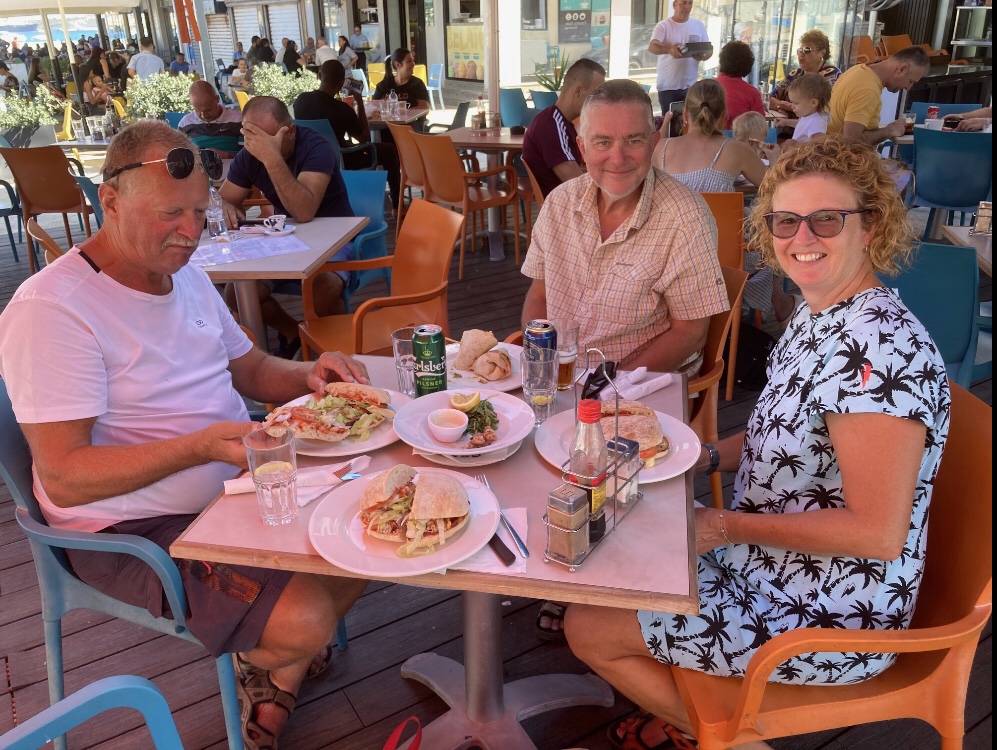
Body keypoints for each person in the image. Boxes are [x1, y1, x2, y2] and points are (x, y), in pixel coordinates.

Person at [565, 135, 951, 750]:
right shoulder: (821, 312)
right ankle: (696, 714)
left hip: (828, 611)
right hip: (766, 561)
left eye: (827, 219)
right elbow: (786, 434)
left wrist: (720, 527)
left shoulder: (879, 351)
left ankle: (721, 738)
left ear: (871, 226)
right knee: (614, 545)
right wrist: (702, 458)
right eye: (785, 220)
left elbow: (876, 533)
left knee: (588, 627)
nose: (802, 237)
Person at [0, 120, 371, 750]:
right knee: (307, 618)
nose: (191, 232)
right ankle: (276, 657)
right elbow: (63, 476)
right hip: (128, 528)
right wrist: (198, 449)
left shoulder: (186, 272)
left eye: (200, 212)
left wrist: (309, 375)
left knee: (374, 529)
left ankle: (275, 669)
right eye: (171, 213)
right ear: (110, 200)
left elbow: (249, 368)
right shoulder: (52, 309)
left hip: (235, 485)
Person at [523, 81, 729, 639]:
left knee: (590, 455)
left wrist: (610, 378)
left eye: (634, 140)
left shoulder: (684, 216)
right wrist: (537, 356)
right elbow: (538, 293)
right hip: (564, 372)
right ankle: (544, 550)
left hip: (641, 386)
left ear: (656, 137)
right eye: (603, 142)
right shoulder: (561, 203)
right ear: (581, 144)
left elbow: (691, 328)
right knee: (499, 443)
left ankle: (584, 569)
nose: (618, 156)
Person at [219, 96, 355, 350]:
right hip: (285, 238)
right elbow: (222, 200)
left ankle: (336, 349)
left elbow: (303, 211)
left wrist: (271, 158)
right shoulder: (249, 154)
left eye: (267, 139)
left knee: (322, 289)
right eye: (251, 137)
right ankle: (294, 334)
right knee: (236, 294)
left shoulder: (316, 146)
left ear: (290, 131)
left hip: (336, 236)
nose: (259, 146)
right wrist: (222, 205)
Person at [293, 60, 402, 211]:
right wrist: (359, 102)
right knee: (389, 150)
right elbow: (364, 138)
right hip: (341, 158)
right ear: (342, 83)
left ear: (319, 76)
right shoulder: (342, 109)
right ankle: (397, 207)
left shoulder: (301, 101)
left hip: (309, 157)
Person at [654, 78, 772, 192]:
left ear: (685, 113)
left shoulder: (659, 149)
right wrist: (775, 158)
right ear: (724, 114)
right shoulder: (737, 150)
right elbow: (773, 187)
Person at [522, 58, 606, 198]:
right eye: (595, 95)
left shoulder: (556, 121)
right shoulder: (551, 126)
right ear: (578, 91)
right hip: (565, 205)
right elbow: (577, 184)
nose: (599, 102)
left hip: (565, 200)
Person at [827, 46, 929, 146]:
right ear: (902, 69)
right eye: (910, 81)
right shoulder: (867, 89)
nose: (908, 88)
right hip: (841, 154)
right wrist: (889, 131)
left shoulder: (859, 69)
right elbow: (851, 140)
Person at [648, 0, 711, 113]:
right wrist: (669, 49)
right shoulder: (664, 25)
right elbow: (652, 47)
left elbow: (709, 50)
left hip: (691, 87)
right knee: (669, 121)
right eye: (683, 3)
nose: (687, 7)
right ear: (674, 5)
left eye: (690, 3)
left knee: (691, 122)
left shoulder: (698, 25)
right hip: (668, 88)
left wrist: (703, 56)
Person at [769, 30, 841, 119]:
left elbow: (823, 108)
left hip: (815, 127)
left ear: (822, 53)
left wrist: (786, 106)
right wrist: (780, 107)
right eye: (799, 50)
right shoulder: (795, 74)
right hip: (787, 126)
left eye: (806, 50)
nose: (801, 55)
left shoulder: (831, 74)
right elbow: (770, 98)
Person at [178, 80, 243, 159]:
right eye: (197, 110)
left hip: (232, 166)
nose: (204, 116)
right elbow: (178, 155)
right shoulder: (185, 124)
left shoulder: (238, 120)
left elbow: (250, 155)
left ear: (217, 99)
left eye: (208, 110)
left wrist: (228, 156)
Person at [716, 40, 764, 128]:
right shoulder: (752, 93)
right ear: (748, 64)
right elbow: (760, 126)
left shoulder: (705, 87)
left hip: (708, 135)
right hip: (739, 135)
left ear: (721, 60)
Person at [777, 72, 832, 146]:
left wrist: (796, 144)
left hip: (804, 153)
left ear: (813, 103)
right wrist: (785, 122)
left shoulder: (817, 122)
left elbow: (819, 145)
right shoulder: (809, 116)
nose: (792, 106)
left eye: (796, 103)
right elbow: (802, 125)